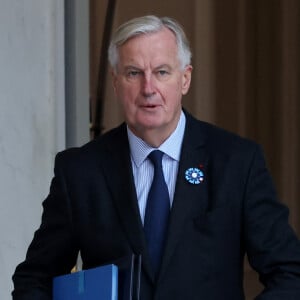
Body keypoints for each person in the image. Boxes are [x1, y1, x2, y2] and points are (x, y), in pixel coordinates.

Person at [12, 15, 300, 299]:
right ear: (115, 82)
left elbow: (290, 275)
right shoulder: (80, 171)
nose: (148, 88)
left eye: (162, 72)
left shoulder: (236, 163)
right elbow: (34, 280)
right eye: (133, 73)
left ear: (185, 79)